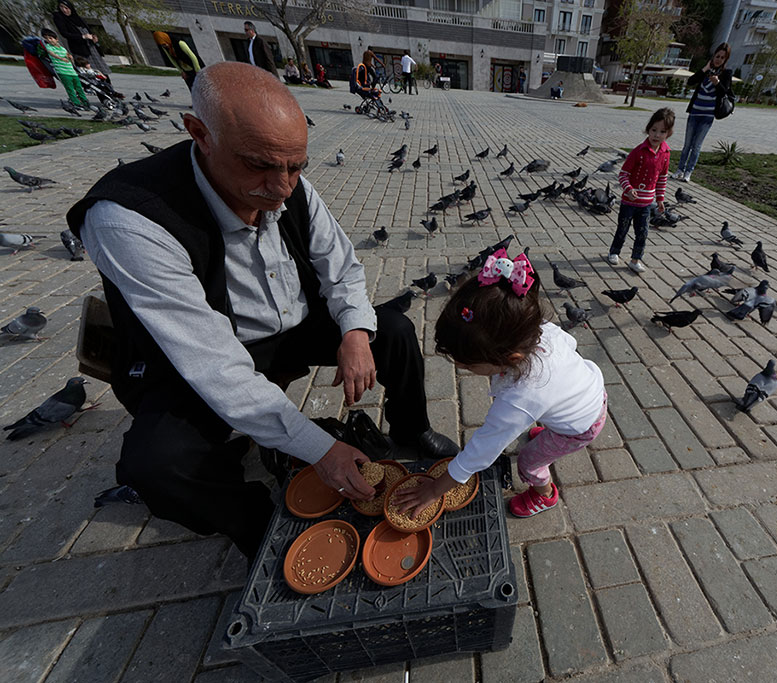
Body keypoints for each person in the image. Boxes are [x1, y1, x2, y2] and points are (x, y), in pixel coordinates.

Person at [66, 62, 458, 561]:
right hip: (200, 354)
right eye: (259, 165)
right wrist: (319, 449)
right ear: (199, 133)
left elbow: (340, 267)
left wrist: (356, 333)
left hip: (290, 329)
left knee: (394, 329)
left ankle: (410, 428)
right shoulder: (129, 220)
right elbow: (214, 364)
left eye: (296, 167)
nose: (281, 189)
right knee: (156, 466)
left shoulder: (288, 185)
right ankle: (258, 525)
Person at [392, 251, 606, 519]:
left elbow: (480, 453)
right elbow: (571, 347)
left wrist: (436, 489)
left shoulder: (521, 399)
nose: (460, 368)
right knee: (541, 418)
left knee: (529, 461)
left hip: (579, 428)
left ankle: (545, 495)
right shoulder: (537, 328)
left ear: (510, 358)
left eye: (468, 365)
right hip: (591, 390)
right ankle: (552, 430)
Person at [606, 108, 673, 274]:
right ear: (648, 129)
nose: (657, 135)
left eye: (662, 132)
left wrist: (660, 199)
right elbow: (623, 174)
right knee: (622, 228)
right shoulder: (638, 152)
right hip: (629, 202)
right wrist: (628, 188)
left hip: (646, 204)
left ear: (668, 133)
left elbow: (662, 178)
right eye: (653, 130)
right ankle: (614, 252)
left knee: (642, 232)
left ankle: (635, 259)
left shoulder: (666, 153)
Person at [671, 43, 733, 182]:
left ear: (725, 59)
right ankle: (680, 169)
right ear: (713, 56)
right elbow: (691, 81)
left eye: (722, 58)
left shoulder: (726, 73)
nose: (718, 59)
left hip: (707, 115)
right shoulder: (706, 71)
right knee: (687, 144)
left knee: (696, 145)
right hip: (694, 113)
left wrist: (717, 83)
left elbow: (725, 92)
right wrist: (704, 69)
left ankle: (688, 172)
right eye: (717, 56)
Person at [52, 0, 113, 84]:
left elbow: (87, 29)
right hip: (79, 48)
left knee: (101, 70)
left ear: (71, 8)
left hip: (90, 47)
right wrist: (82, 37)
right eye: (61, 7)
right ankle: (100, 93)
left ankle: (111, 91)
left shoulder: (78, 18)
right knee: (88, 71)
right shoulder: (60, 18)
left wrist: (93, 36)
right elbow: (64, 33)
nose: (64, 10)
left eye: (66, 8)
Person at [39, 29, 89, 109]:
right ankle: (76, 104)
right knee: (70, 89)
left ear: (56, 39)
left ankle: (85, 103)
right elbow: (51, 53)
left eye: (51, 38)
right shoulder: (49, 47)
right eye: (46, 38)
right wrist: (61, 58)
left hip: (72, 72)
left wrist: (71, 58)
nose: (49, 40)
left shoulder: (62, 48)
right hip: (63, 72)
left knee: (79, 88)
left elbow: (70, 59)